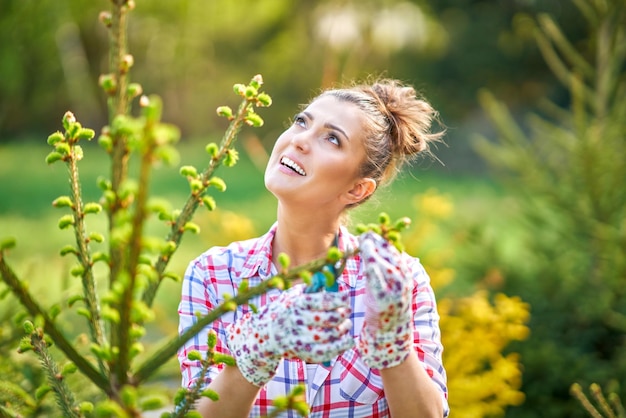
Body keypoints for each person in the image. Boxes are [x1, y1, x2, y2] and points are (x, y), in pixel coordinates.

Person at [178, 78, 449, 417]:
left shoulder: (396, 281)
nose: (300, 140)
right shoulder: (214, 275)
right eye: (301, 121)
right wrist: (257, 348)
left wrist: (392, 345)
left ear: (357, 190)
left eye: (332, 139)